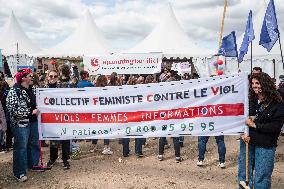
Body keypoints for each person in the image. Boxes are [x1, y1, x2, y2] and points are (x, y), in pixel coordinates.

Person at [238, 72, 284, 188]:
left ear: (265, 84)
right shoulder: (250, 99)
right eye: (252, 83)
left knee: (262, 177)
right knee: (243, 175)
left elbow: (275, 127)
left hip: (265, 145)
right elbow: (243, 120)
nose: (254, 86)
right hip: (248, 141)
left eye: (257, 83)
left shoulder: (277, 103)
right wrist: (243, 133)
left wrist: (254, 125)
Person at [6, 68, 41, 182]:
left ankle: (33, 165)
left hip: (33, 122)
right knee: (21, 148)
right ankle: (19, 172)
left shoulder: (32, 89)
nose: (32, 77)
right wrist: (30, 112)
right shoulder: (14, 91)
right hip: (20, 125)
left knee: (34, 144)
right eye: (30, 75)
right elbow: (13, 110)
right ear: (23, 78)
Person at [46, 66, 74, 170]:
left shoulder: (63, 86)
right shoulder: (43, 88)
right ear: (48, 77)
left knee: (65, 138)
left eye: (55, 76)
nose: (53, 77)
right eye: (51, 76)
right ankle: (53, 158)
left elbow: (73, 88)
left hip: (63, 117)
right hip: (51, 118)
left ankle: (65, 159)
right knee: (53, 139)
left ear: (58, 77)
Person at [90, 75, 113, 155]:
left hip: (96, 112)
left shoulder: (94, 90)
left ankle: (94, 146)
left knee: (95, 129)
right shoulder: (108, 90)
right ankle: (106, 147)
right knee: (106, 130)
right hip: (105, 112)